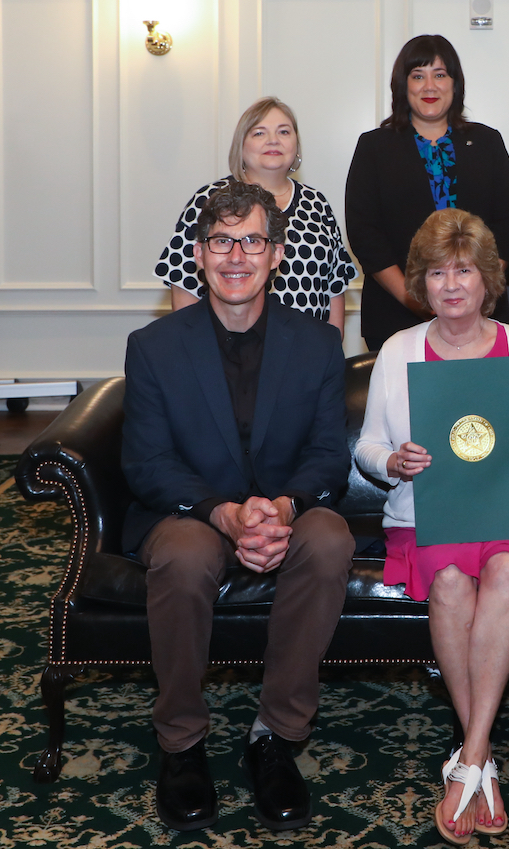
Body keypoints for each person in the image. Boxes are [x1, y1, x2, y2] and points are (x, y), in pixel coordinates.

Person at [123, 180, 355, 832]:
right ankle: (182, 743)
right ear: (197, 254)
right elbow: (146, 462)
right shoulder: (154, 347)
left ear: (276, 254)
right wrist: (222, 514)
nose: (235, 255)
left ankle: (275, 737)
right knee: (189, 554)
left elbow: (327, 454)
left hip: (285, 510)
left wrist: (283, 508)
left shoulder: (316, 344)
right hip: (188, 514)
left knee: (331, 537)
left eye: (251, 240)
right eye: (221, 241)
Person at [355, 209, 509, 844]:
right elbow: (365, 448)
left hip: (504, 509)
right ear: (423, 282)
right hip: (428, 511)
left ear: (487, 280)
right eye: (439, 272)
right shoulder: (397, 351)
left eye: (465, 271)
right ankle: (482, 762)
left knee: (505, 571)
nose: (451, 285)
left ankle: (469, 760)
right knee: (448, 580)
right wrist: (393, 461)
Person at [345, 34, 509, 351]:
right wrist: (411, 295)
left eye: (440, 75)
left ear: (455, 84)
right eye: (418, 76)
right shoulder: (374, 147)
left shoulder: (487, 142)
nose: (430, 86)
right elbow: (364, 233)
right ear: (403, 85)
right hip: (396, 315)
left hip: (482, 316)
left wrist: (476, 291)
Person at [154, 97, 357, 335]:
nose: (273, 140)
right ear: (241, 146)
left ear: (296, 146)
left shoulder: (317, 203)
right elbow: (183, 282)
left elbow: (334, 288)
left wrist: (330, 352)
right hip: (226, 353)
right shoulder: (210, 199)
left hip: (306, 353)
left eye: (284, 131)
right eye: (259, 133)